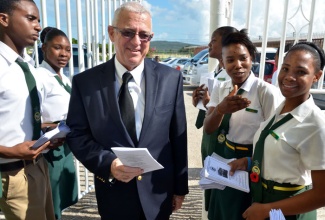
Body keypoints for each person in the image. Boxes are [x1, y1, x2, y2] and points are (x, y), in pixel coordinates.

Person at [66, 2, 188, 220]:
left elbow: (178, 137)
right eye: (128, 32)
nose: (136, 42)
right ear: (112, 33)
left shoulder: (171, 78)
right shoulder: (86, 83)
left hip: (158, 194)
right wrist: (109, 163)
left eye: (144, 35)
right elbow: (77, 134)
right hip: (114, 196)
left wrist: (180, 188)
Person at [228, 42, 325, 220]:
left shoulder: (315, 123)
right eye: (285, 69)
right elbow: (286, 157)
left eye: (301, 72)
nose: (289, 77)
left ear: (317, 76)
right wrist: (249, 162)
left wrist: (268, 210)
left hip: (287, 209)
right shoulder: (281, 109)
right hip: (264, 201)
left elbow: (322, 194)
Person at [203, 31, 282, 220]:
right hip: (227, 158)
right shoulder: (221, 89)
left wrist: (249, 162)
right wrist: (220, 110)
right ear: (222, 63)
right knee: (224, 210)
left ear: (252, 58)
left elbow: (276, 140)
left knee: (245, 212)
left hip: (254, 161)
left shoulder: (266, 92)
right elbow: (208, 128)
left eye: (243, 58)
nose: (237, 65)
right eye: (230, 60)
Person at [0, 0, 62, 219]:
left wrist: (46, 131)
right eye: (30, 18)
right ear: (4, 19)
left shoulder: (26, 66)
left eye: (38, 20)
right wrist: (9, 151)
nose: (38, 26)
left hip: (38, 165)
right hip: (11, 171)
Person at [191, 26, 238, 216]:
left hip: (223, 141)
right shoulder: (214, 73)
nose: (209, 44)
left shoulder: (235, 76)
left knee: (223, 191)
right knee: (211, 185)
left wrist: (212, 104)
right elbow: (209, 109)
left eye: (214, 40)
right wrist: (199, 104)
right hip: (210, 138)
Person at [36, 27, 78, 220]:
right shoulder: (39, 77)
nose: (64, 54)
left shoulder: (65, 78)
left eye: (68, 49)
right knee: (49, 200)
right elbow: (30, 116)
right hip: (49, 148)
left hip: (65, 146)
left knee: (60, 197)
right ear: (44, 48)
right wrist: (49, 127)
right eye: (57, 48)